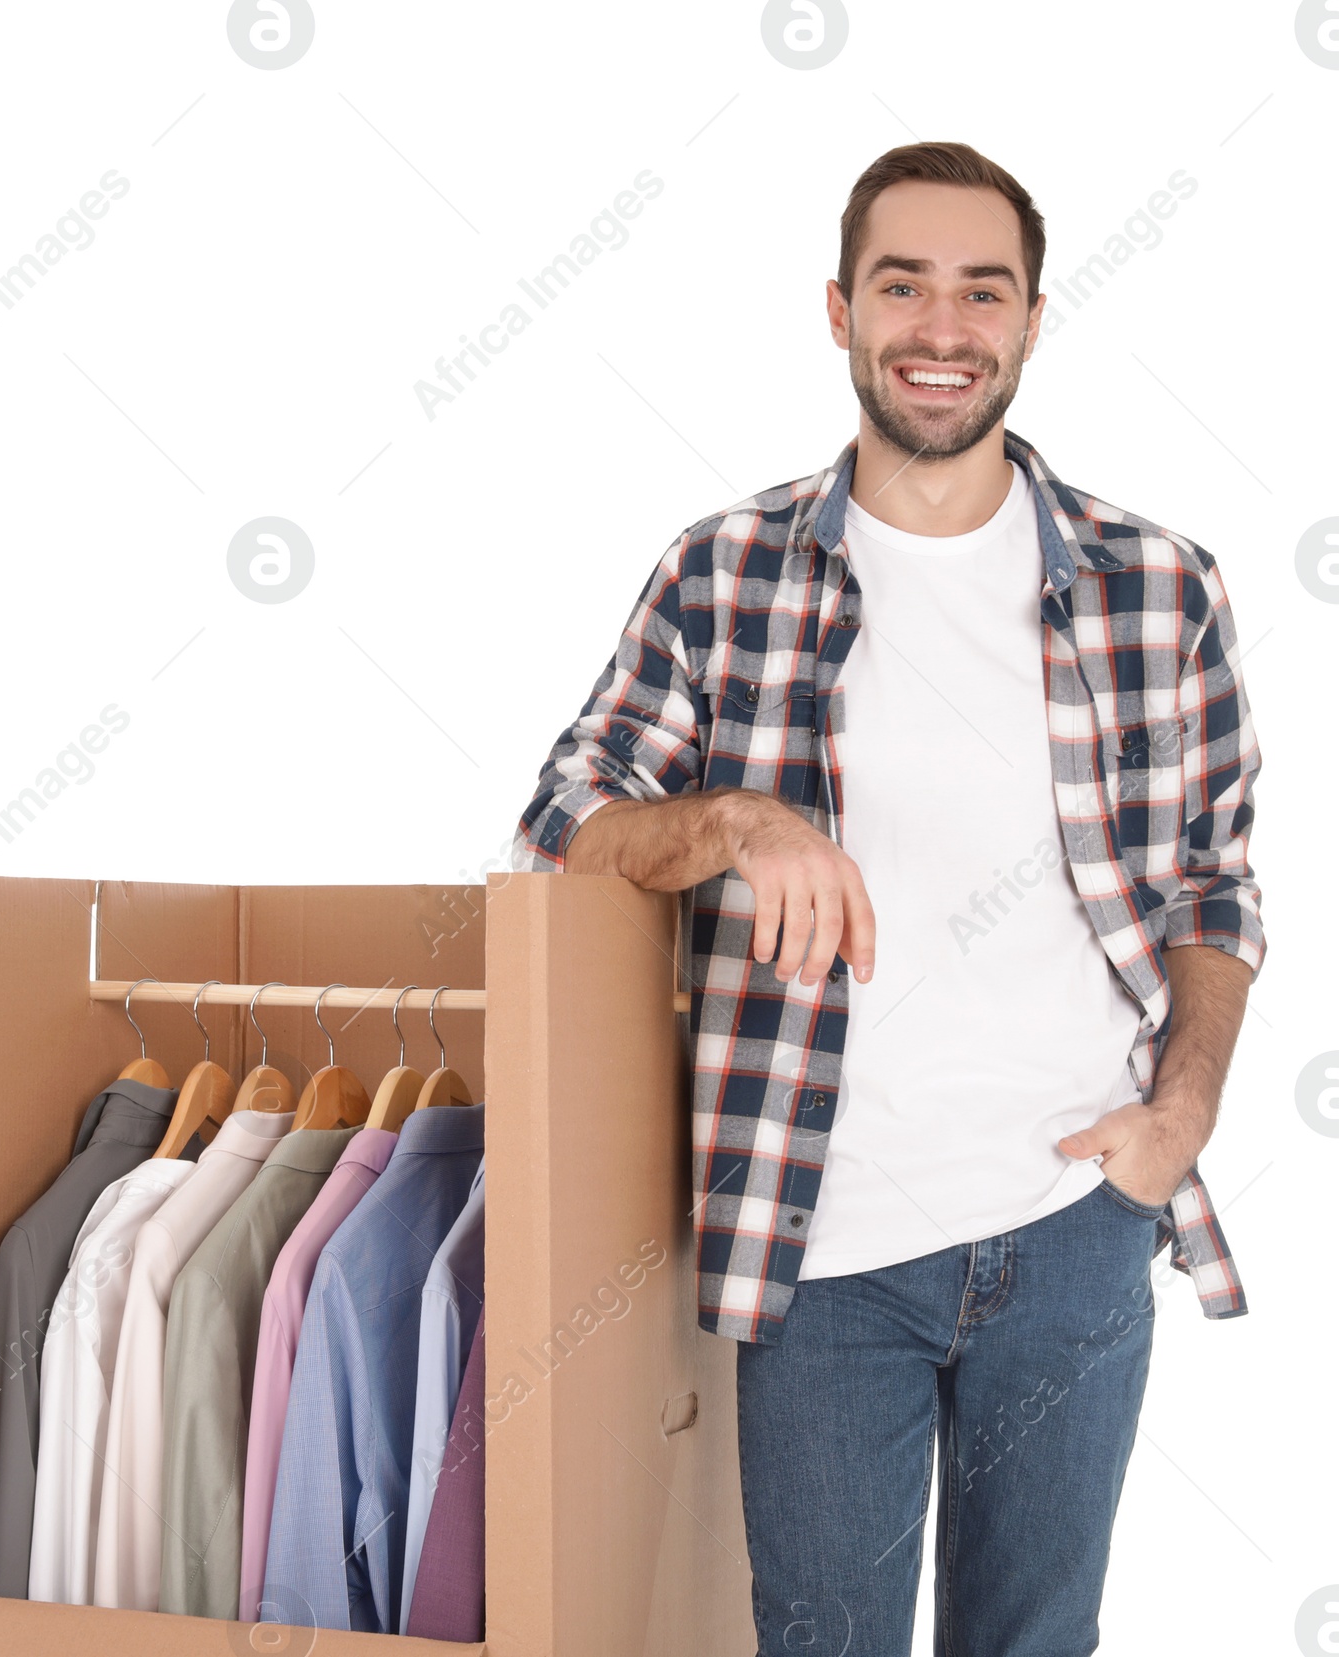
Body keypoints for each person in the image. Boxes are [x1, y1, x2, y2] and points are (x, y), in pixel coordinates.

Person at [511, 141, 1266, 1655]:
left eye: (983, 291)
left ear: (1035, 320)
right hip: (821, 1240)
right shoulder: (723, 574)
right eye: (904, 285)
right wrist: (735, 818)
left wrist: (1179, 1113)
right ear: (840, 308)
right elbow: (564, 836)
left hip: (1076, 1223)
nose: (942, 327)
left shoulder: (1155, 585)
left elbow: (1212, 884)